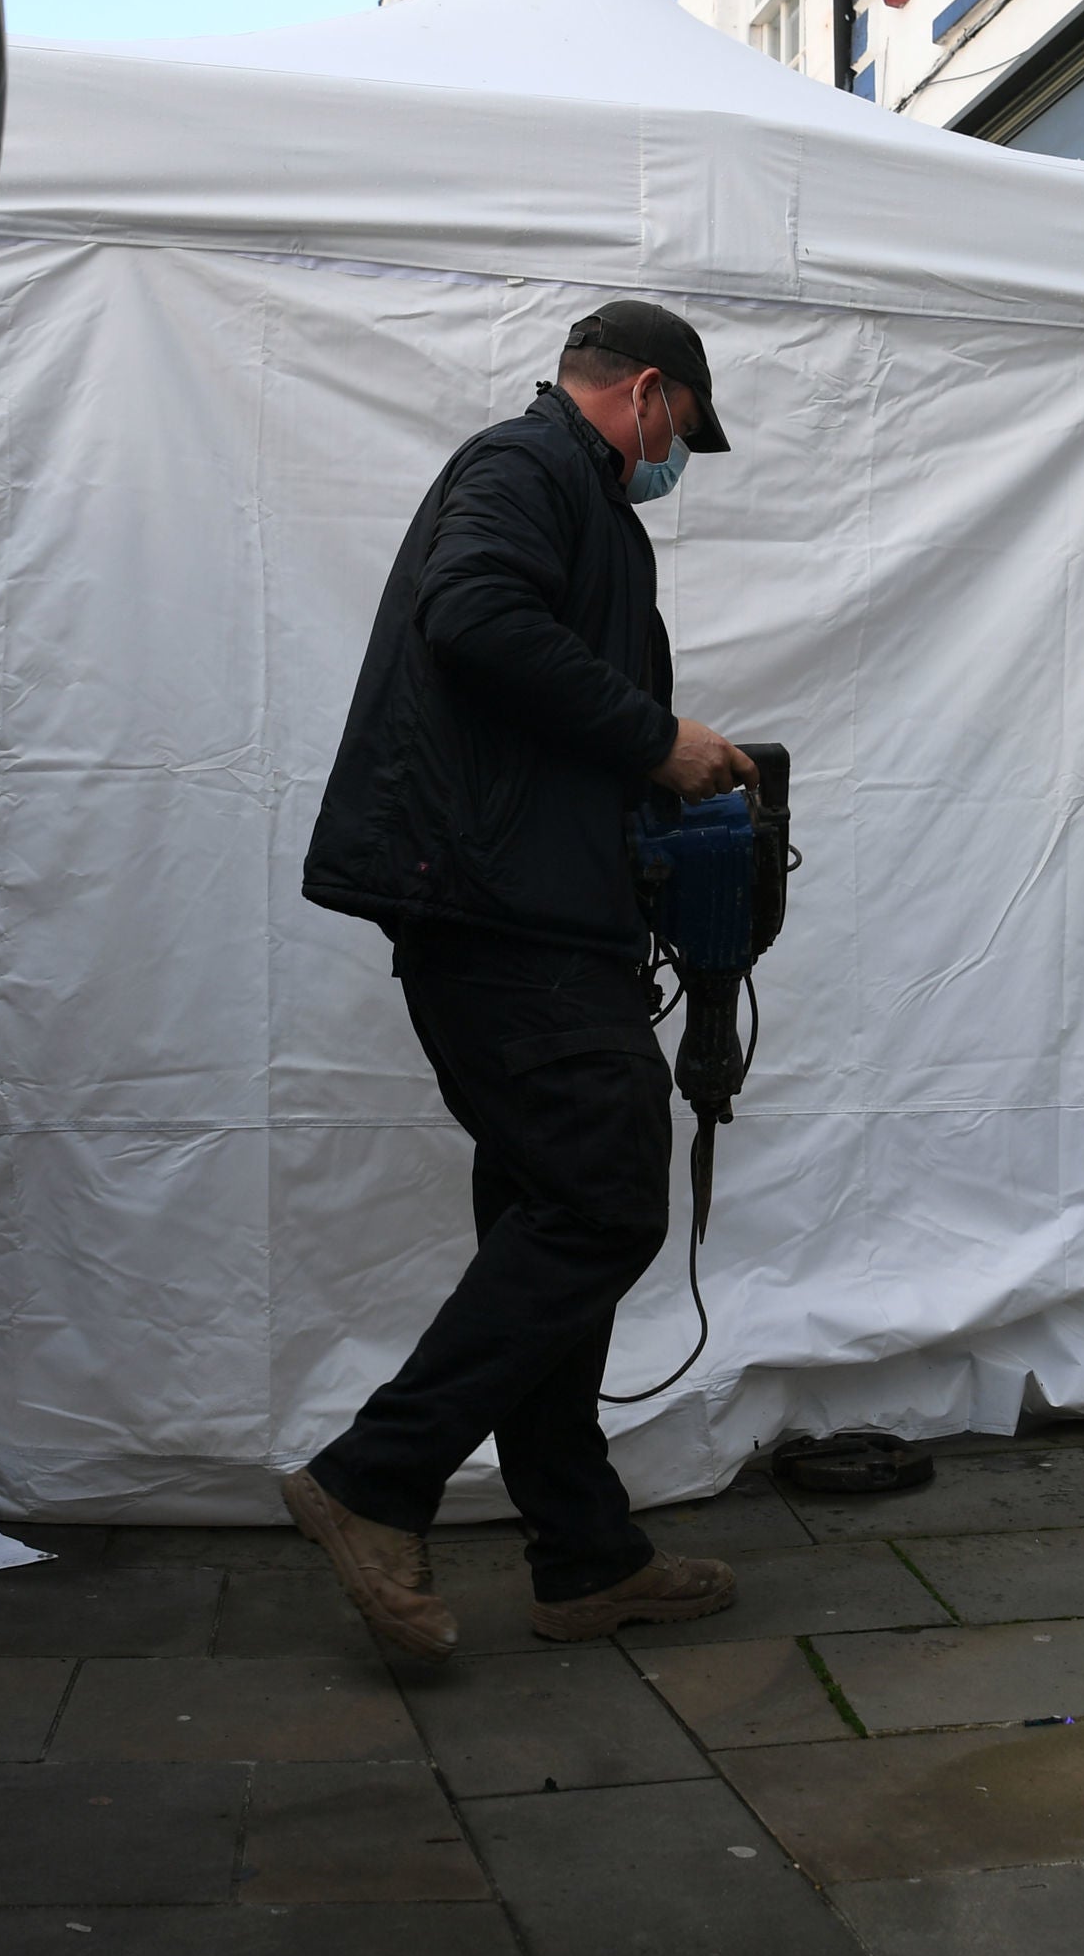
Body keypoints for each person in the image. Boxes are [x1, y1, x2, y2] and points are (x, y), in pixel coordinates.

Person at [289, 302, 759, 1663]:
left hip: (538, 908)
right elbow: (475, 613)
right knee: (605, 1194)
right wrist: (653, 738)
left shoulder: (576, 498)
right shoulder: (528, 465)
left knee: (552, 1212)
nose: (676, 463)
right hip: (502, 916)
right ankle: (373, 1478)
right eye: (682, 435)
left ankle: (584, 1556)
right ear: (651, 397)